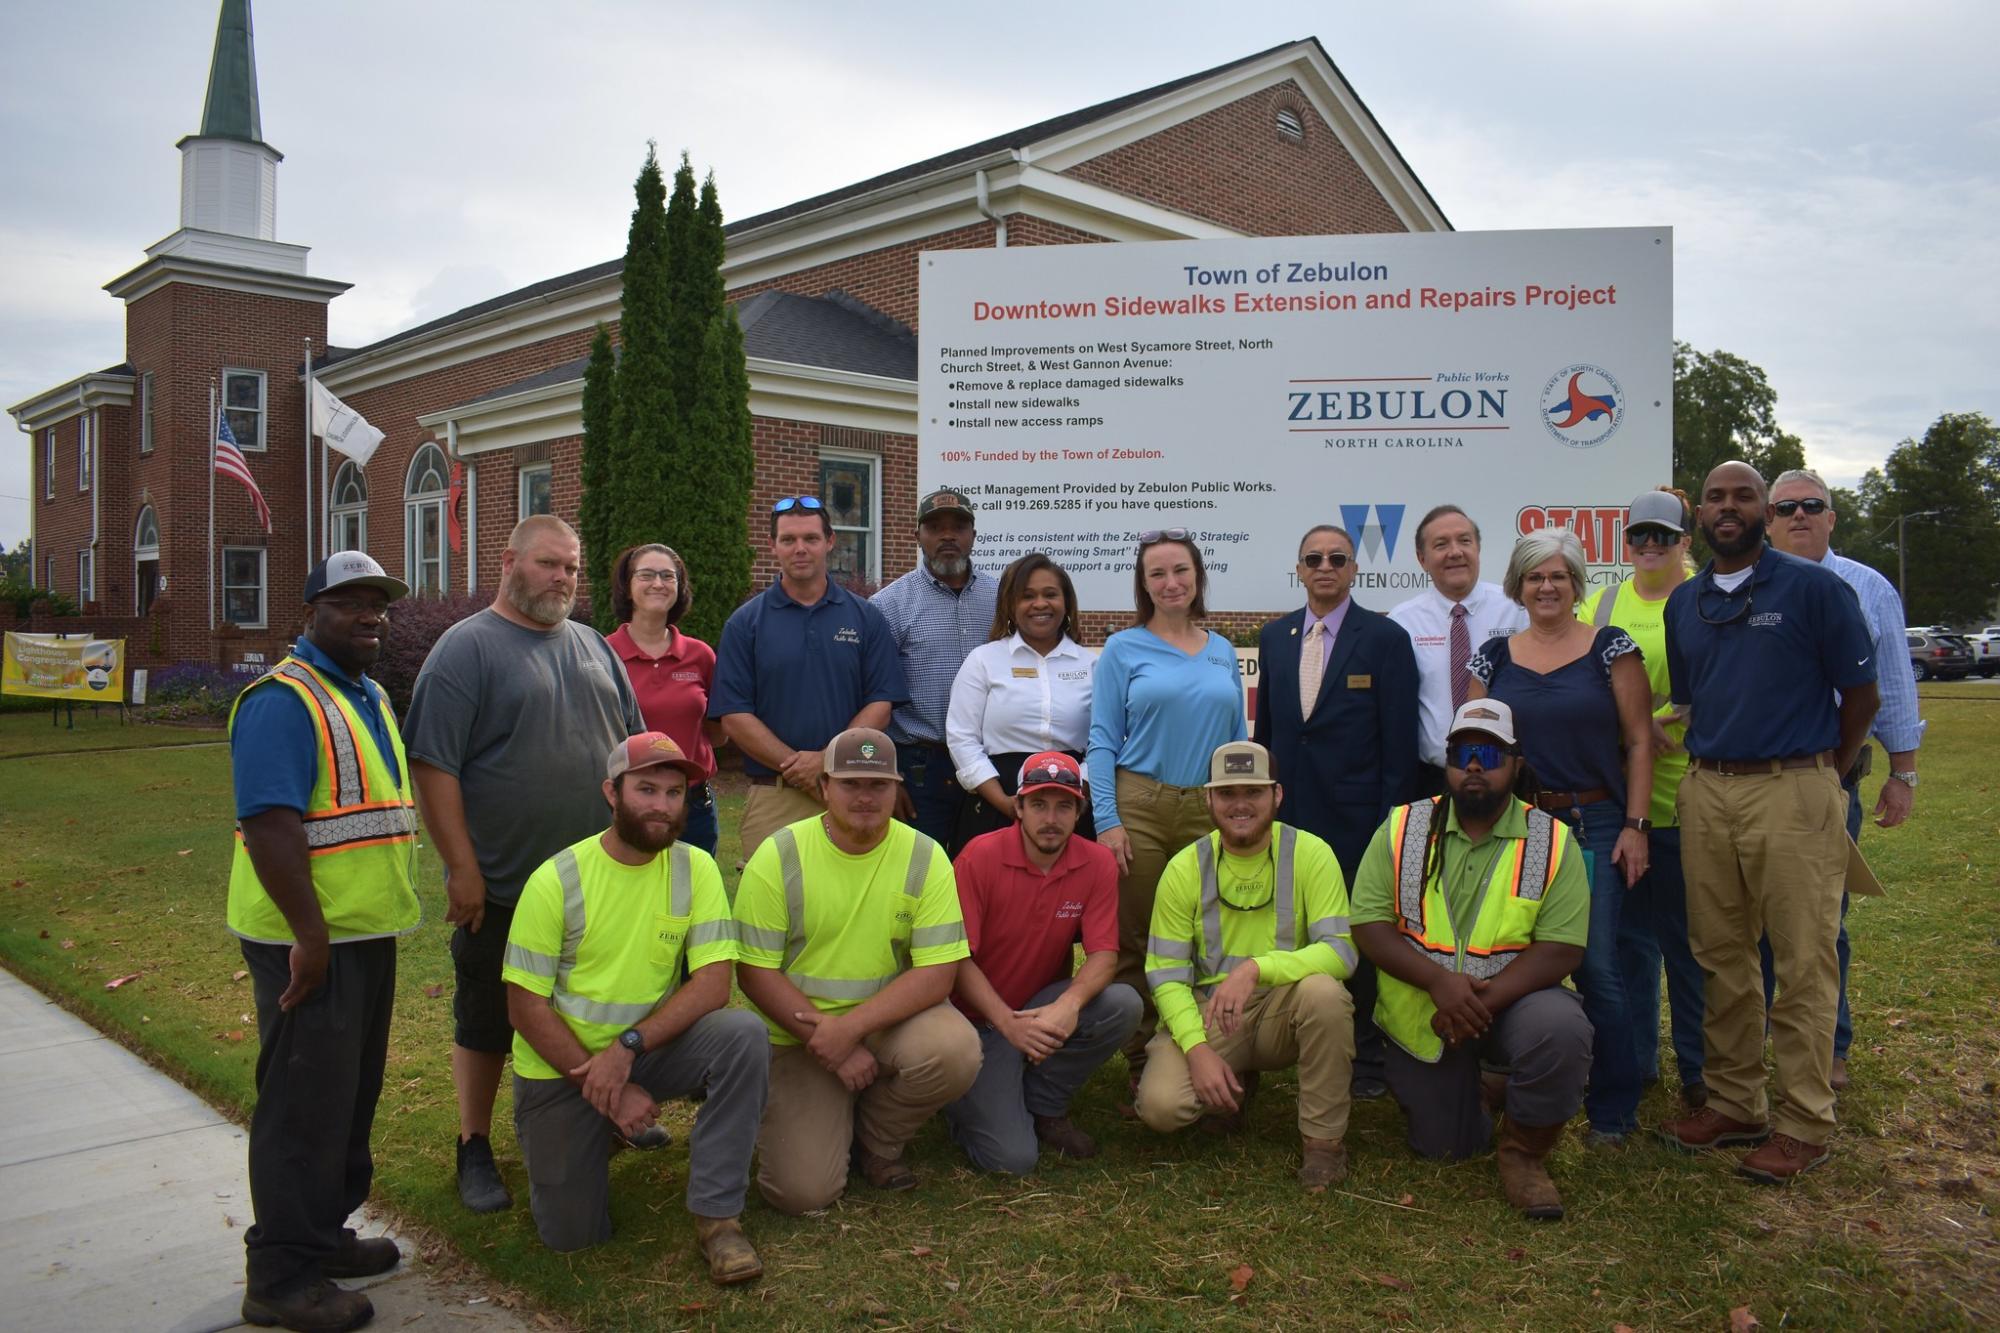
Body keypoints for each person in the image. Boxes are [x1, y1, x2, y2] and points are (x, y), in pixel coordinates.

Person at [404, 515, 644, 1215]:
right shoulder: (466, 649)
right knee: (485, 1015)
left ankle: (592, 1110)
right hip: (505, 883)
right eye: (548, 564)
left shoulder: (596, 647)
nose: (563, 579)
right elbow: (434, 765)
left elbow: (630, 751)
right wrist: (461, 867)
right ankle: (473, 1143)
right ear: (508, 560)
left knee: (583, 1005)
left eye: (571, 568)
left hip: (597, 881)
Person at [1659, 461, 1880, 1184]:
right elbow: (1695, 700)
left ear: (1766, 509)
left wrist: (1826, 772)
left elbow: (1862, 695)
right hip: (1707, 788)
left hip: (1794, 787)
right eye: (1715, 497)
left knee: (1802, 957)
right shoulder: (1684, 602)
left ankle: (1805, 1119)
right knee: (1718, 952)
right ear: (1701, 515)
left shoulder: (1816, 588)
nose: (1728, 507)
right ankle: (1735, 1099)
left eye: (1743, 496)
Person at [226, 551, 420, 1331]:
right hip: (308, 943)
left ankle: (322, 1235)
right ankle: (280, 1274)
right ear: (311, 612)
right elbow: (271, 825)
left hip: (362, 931)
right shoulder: (282, 700)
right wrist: (309, 935)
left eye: (379, 603)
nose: (370, 615)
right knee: (302, 1107)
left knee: (345, 1098)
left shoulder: (365, 692)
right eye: (350, 603)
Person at [502, 733, 768, 1283]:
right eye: (646, 789)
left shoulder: (695, 869)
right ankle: (598, 1127)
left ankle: (719, 1220)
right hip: (564, 1069)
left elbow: (715, 983)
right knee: (572, 1236)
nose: (662, 806)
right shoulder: (557, 879)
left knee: (742, 1034)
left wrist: (628, 1052)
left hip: (644, 1051)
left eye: (675, 793)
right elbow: (525, 1007)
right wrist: (607, 1086)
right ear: (611, 792)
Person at [1351, 699, 1594, 1220]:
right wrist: (1440, 984)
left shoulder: (1551, 840)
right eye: (1463, 754)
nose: (1475, 766)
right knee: (1447, 1147)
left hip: (1511, 1007)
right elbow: (1368, 923)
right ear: (1448, 763)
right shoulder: (1403, 827)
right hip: (1424, 1015)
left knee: (1561, 1028)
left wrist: (1473, 998)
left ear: (1516, 762)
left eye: (1489, 753)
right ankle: (1488, 1088)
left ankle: (1525, 1154)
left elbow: (1563, 947)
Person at [733, 728, 982, 1213]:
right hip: (799, 1036)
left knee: (956, 1050)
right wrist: (829, 1042)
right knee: (803, 1195)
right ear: (824, 787)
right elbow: (754, 973)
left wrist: (850, 1032)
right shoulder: (778, 855)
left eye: (878, 785)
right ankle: (820, 1115)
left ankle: (877, 1138)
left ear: (897, 789)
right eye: (851, 785)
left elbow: (937, 974)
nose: (865, 797)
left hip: (884, 1026)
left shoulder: (925, 856)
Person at [1466, 526, 1652, 1145]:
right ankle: (1516, 1080)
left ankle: (1613, 1108)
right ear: (1518, 585)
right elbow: (1476, 747)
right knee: (1512, 956)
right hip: (1517, 826)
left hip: (1594, 822)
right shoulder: (1492, 656)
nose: (1547, 586)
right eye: (1535, 576)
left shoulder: (1610, 647)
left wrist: (1635, 825)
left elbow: (1639, 741)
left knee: (1596, 965)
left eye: (1559, 575)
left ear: (1576, 584)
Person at [1761, 467, 1924, 1093]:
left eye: (1812, 506)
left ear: (1831, 518)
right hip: (1748, 782)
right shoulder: (1742, 586)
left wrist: (1903, 772)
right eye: (1786, 508)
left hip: (1831, 781)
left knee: (1820, 920)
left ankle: (1829, 1045)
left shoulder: (1867, 587)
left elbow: (1895, 687)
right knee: (1752, 926)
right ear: (1768, 521)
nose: (1799, 515)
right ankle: (1765, 1041)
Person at [1136, 741, 1357, 1190]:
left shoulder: (1312, 854)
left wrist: (1256, 968)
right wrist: (1197, 1052)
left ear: (1277, 795)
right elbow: (1166, 975)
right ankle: (1230, 1088)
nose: (1240, 805)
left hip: (1284, 1009)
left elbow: (1341, 952)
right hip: (1213, 1013)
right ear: (1208, 799)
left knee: (1326, 994)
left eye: (1253, 792)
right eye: (1227, 792)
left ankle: (1323, 1142)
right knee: (1162, 1108)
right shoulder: (1184, 868)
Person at [1253, 523, 1419, 1100]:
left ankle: (1367, 1056)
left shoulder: (1385, 639)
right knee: (1296, 931)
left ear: (1354, 569)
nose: (1325, 566)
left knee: (1359, 936)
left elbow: (1397, 744)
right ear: (1298, 570)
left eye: (1337, 558)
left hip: (1358, 823)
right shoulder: (1275, 637)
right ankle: (1299, 1040)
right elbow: (1270, 735)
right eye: (1313, 558)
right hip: (1291, 815)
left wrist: (1387, 825)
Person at [1087, 529, 1247, 1079]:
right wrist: (1107, 820)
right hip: (1141, 805)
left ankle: (1212, 1048)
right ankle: (1140, 1059)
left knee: (1209, 931)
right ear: (1144, 584)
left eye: (1180, 570)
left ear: (1197, 576)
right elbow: (1103, 740)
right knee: (1138, 934)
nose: (1171, 582)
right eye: (1157, 574)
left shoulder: (1222, 650)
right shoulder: (1122, 649)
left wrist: (1244, 811)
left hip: (1209, 808)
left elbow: (1237, 744)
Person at [945, 753, 1139, 1172]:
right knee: (1012, 1159)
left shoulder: (1097, 862)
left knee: (1122, 1003)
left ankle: (1044, 1104)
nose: (1051, 818)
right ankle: (961, 1104)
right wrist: (1006, 1023)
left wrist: (1067, 1006)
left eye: (1064, 806)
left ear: (1079, 811)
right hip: (976, 1021)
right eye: (1038, 804)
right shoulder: (978, 856)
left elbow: (1104, 954)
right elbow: (957, 960)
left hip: (1040, 1007)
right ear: (1017, 808)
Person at [1578, 490, 1707, 1110]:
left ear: (1686, 540)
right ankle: (1636, 1061)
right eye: (1639, 537)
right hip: (1621, 799)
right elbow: (1579, 675)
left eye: (1663, 535)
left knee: (1687, 943)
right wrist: (1632, 724)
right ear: (1625, 543)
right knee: (1627, 943)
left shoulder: (1705, 598)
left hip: (1687, 794)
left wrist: (1662, 720)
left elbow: (1724, 682)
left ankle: (1699, 1069)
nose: (1649, 546)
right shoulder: (1602, 601)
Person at [710, 496, 908, 860]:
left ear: (830, 541)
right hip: (775, 793)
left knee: (856, 900)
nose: (799, 549)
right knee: (771, 906)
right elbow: (734, 715)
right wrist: (801, 768)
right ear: (772, 546)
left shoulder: (866, 618)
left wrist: (828, 760)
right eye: (788, 540)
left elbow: (880, 703)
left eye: (810, 539)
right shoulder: (745, 624)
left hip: (852, 789)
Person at [873, 488, 1000, 845]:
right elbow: (874, 693)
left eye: (958, 526)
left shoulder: (1003, 596)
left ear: (973, 535)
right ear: (917, 536)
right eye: (935, 527)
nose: (947, 536)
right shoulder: (888, 605)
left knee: (984, 870)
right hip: (920, 767)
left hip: (991, 759)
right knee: (920, 870)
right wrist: (887, 775)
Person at [946, 553, 1096, 850]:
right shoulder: (984, 661)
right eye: (1027, 596)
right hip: (998, 802)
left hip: (1071, 804)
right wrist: (1004, 802)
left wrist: (1079, 794)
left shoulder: (1092, 665)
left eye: (1050, 594)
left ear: (1066, 603)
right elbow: (962, 738)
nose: (1040, 604)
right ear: (1010, 606)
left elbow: (1107, 740)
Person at [1387, 505, 1528, 798]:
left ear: (1478, 549)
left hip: (1503, 777)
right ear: (1422, 559)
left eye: (1465, 541)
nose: (1455, 552)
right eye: (1441, 544)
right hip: (1430, 781)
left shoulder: (1517, 610)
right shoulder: (1401, 622)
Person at [606, 543, 723, 854]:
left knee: (692, 898)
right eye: (646, 575)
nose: (658, 583)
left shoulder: (700, 656)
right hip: (627, 809)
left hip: (692, 808)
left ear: (679, 587)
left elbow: (717, 732)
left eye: (667, 576)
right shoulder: (603, 654)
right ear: (627, 587)